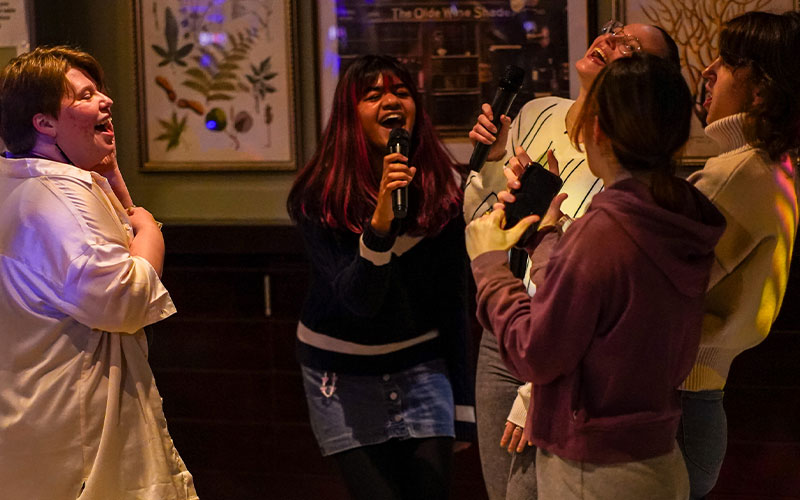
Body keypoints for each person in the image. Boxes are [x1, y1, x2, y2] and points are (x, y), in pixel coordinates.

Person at [466, 53, 725, 499]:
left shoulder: (603, 233)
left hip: (595, 471)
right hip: (657, 459)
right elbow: (606, 310)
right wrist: (546, 236)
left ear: (596, 128)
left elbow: (536, 352)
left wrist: (489, 265)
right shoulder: (682, 214)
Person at [0, 46, 197, 499]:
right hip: (77, 437)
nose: (105, 101)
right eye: (85, 96)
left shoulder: (22, 183)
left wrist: (116, 191)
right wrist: (148, 227)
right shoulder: (61, 198)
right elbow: (122, 300)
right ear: (44, 123)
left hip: (36, 430)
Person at [286, 55, 476, 500]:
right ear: (351, 115)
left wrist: (463, 407)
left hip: (421, 367)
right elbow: (360, 300)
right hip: (340, 375)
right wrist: (381, 225)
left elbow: (453, 301)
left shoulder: (446, 187)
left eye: (401, 92)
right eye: (373, 95)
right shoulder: (317, 195)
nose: (390, 100)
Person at [677, 11, 800, 498]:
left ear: (762, 90)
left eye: (727, 62)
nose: (707, 71)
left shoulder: (736, 173)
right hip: (702, 399)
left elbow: (651, 292)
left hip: (678, 400)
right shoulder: (776, 164)